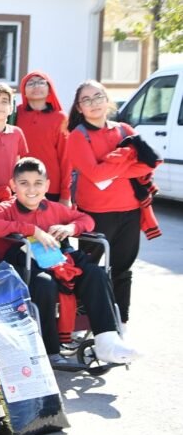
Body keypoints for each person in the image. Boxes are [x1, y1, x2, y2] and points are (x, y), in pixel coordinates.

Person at [0, 157, 139, 365]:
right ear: (13, 185)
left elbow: (87, 220)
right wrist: (32, 230)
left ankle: (106, 342)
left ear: (47, 185)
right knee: (45, 284)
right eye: (24, 183)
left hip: (57, 260)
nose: (31, 189)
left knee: (96, 273)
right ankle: (50, 350)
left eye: (38, 183)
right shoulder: (5, 208)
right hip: (22, 263)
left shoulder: (54, 208)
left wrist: (70, 228)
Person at [66, 80, 154, 327]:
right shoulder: (77, 136)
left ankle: (121, 323)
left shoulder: (125, 130)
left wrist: (112, 168)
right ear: (79, 108)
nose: (93, 104)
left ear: (107, 101)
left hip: (130, 211)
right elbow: (93, 175)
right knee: (90, 270)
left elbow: (148, 162)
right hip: (95, 213)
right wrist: (125, 164)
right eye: (86, 100)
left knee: (122, 270)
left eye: (98, 97)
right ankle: (84, 323)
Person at [14, 71, 69, 203]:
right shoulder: (15, 113)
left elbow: (66, 159)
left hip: (50, 187)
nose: (36, 86)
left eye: (41, 82)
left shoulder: (60, 118)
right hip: (19, 185)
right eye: (31, 83)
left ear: (49, 89)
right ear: (24, 91)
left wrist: (66, 195)